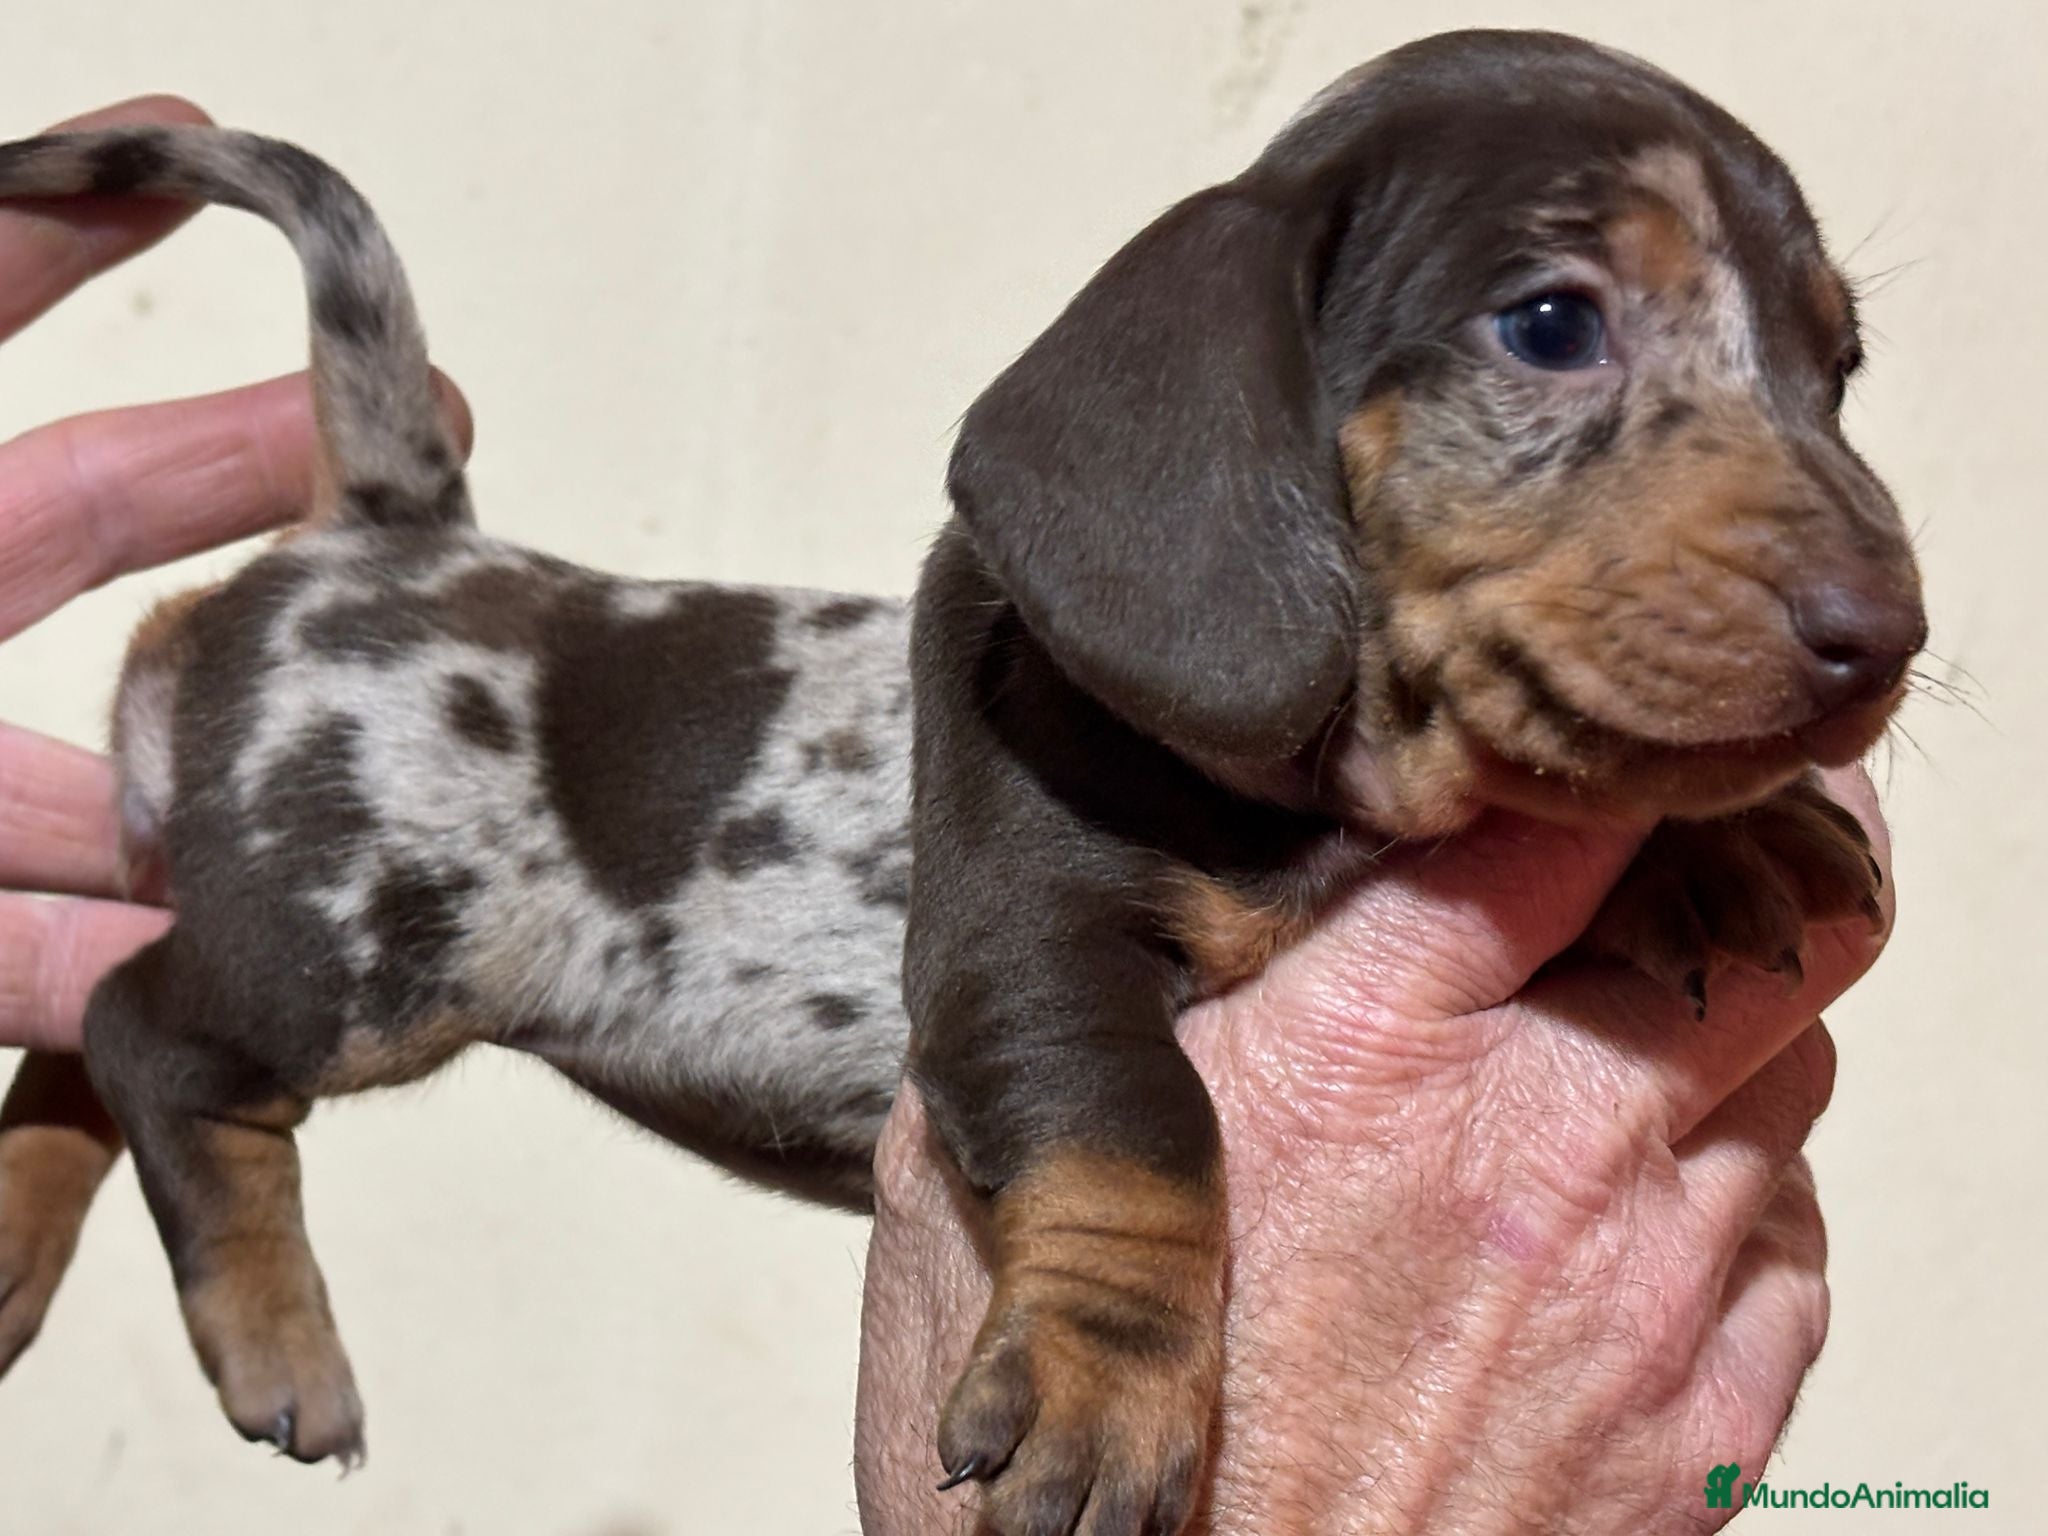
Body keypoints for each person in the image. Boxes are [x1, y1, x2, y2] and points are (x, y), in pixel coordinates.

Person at [0, 97, 1889, 1535]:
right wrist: (1120, 1279)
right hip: (442, 714)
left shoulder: (1431, 734)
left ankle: (110, 1075)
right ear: (1230, 408)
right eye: (1555, 323)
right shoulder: (1127, 725)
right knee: (332, 1002)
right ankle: (178, 1081)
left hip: (463, 670)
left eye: (1823, 370)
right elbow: (1045, 975)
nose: (1857, 573)